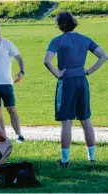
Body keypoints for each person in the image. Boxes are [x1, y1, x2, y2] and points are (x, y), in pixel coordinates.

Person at [44, 12, 108, 167]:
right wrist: (88, 71)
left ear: (59, 25)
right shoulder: (84, 39)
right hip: (81, 79)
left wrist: (58, 73)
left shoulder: (58, 40)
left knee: (67, 121)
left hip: (66, 81)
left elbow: (47, 61)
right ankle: (91, 158)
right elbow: (103, 56)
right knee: (86, 119)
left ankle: (65, 160)